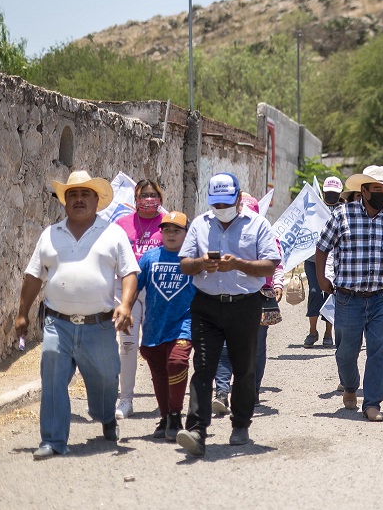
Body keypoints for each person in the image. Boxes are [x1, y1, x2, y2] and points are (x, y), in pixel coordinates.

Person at [16, 171, 139, 459]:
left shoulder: (113, 233)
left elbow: (130, 272)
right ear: (65, 202)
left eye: (85, 194)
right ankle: (53, 440)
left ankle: (106, 415)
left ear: (97, 200)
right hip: (57, 323)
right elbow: (33, 276)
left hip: (99, 326)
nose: (79, 199)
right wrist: (22, 314)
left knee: (107, 381)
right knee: (53, 379)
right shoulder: (50, 234)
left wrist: (126, 305)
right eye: (72, 195)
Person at [176, 173, 280, 457]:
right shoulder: (200, 224)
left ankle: (241, 424)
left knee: (244, 368)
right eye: (216, 203)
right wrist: (202, 263)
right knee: (204, 366)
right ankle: (196, 430)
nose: (221, 207)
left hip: (244, 305)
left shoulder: (258, 224)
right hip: (206, 305)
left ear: (238, 196)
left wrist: (239, 265)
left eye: (226, 202)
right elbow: (185, 264)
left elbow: (270, 265)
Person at [316, 165, 383, 422]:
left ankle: (372, 403)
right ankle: (350, 386)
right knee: (346, 351)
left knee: (379, 350)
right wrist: (322, 279)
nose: (382, 194)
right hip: (348, 297)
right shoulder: (342, 215)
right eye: (377, 189)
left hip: (381, 295)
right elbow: (322, 247)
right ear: (364, 190)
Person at [212, 194, 285, 413]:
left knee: (255, 347)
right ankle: (222, 392)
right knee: (225, 345)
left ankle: (252, 389)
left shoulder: (267, 235)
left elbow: (277, 264)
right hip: (226, 296)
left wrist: (278, 284)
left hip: (259, 297)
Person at [137, 211, 196, 440]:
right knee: (159, 373)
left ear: (186, 234)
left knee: (177, 362)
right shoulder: (149, 258)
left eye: (177, 230)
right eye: (167, 230)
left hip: (183, 323)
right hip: (154, 326)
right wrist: (125, 308)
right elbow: (135, 284)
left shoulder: (192, 259)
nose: (171, 234)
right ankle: (166, 418)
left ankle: (175, 413)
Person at [113, 179, 165, 419]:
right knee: (127, 345)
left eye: (153, 195)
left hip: (157, 291)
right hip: (127, 290)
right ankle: (126, 400)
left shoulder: (167, 224)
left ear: (160, 198)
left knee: (157, 345)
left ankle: (165, 399)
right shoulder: (121, 225)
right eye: (143, 195)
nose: (148, 199)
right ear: (135, 199)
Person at [303, 176, 343, 349]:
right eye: (328, 193)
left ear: (339, 193)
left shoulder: (344, 211)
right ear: (323, 192)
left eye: (335, 193)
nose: (331, 196)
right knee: (314, 291)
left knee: (329, 293)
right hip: (313, 259)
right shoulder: (313, 208)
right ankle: (312, 331)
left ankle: (328, 332)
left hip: (334, 259)